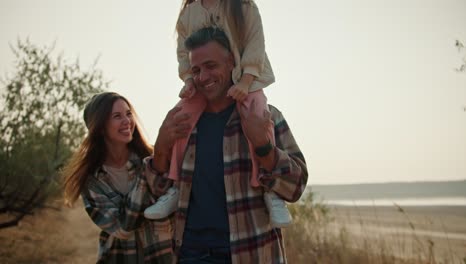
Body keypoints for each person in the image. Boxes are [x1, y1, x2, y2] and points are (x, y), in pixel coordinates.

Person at [145, 27, 308, 263]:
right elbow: (158, 194)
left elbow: (296, 187)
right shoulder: (182, 122)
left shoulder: (265, 117)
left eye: (211, 66)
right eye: (196, 70)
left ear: (232, 62)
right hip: (191, 253)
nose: (203, 77)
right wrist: (160, 147)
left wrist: (262, 145)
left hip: (251, 252)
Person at [144, 0, 292, 229]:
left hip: (248, 79)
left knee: (259, 114)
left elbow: (256, 43)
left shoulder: (243, 7)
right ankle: (175, 187)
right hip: (201, 85)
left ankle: (272, 192)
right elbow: (184, 52)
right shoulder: (188, 15)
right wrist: (190, 79)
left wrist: (245, 80)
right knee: (180, 115)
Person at [62, 92, 176, 263]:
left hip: (164, 257)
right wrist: (147, 174)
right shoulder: (93, 180)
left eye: (128, 114)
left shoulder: (156, 159)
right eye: (117, 116)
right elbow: (122, 228)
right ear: (100, 127)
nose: (127, 121)